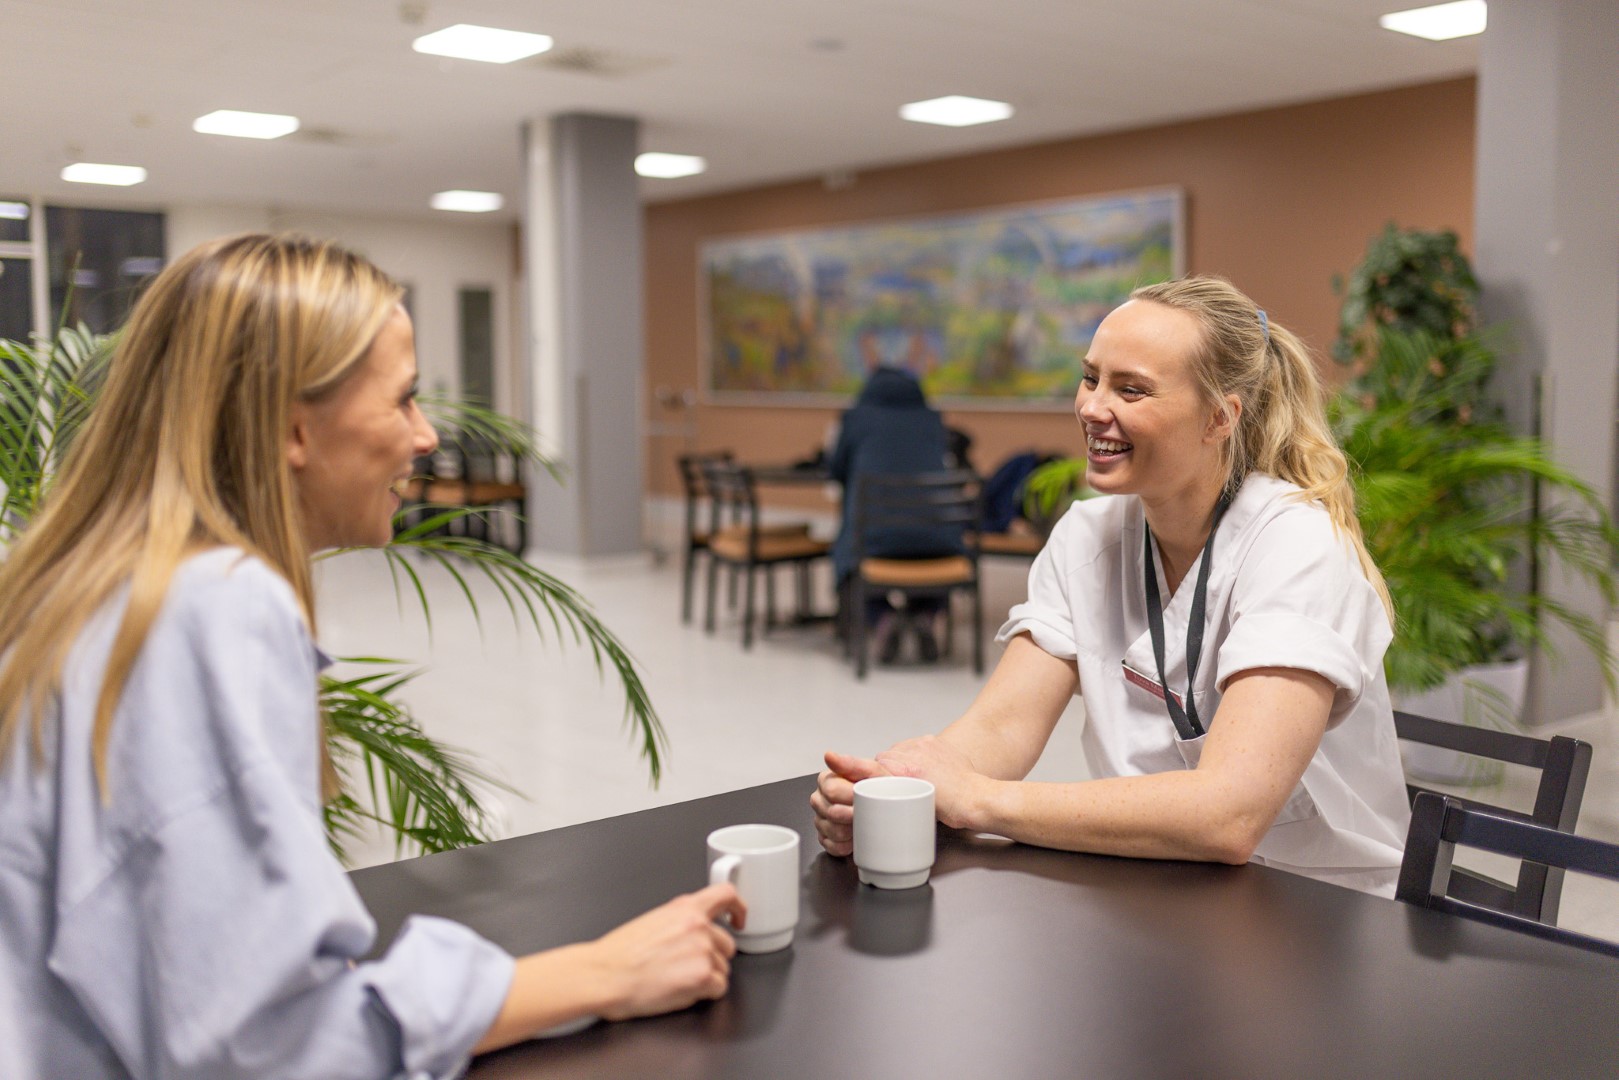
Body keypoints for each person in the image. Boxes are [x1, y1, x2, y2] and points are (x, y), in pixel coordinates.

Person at [0, 233, 745, 1079]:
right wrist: (601, 973)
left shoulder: (87, 588)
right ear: (292, 428)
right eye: (402, 401)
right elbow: (268, 1052)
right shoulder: (213, 609)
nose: (426, 437)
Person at [812, 276, 1412, 896]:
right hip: (1152, 883)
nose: (1093, 407)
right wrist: (896, 792)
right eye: (1090, 377)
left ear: (1218, 418)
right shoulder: (1087, 535)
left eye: (1131, 390)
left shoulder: (1297, 545)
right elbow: (1000, 729)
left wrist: (979, 802)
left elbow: (1227, 816)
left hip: (1318, 903)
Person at [828, 361, 961, 663]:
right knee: (928, 544)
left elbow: (836, 470)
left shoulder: (855, 419)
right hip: (937, 538)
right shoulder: (932, 420)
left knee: (848, 551)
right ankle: (924, 615)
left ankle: (883, 617)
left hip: (875, 535)